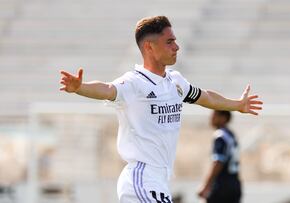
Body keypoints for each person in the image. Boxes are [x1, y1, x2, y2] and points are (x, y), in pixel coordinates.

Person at [59, 15, 262, 203]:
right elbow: (107, 89)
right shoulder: (134, 83)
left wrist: (237, 104)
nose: (177, 46)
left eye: (175, 40)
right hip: (141, 178)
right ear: (149, 47)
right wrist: (80, 88)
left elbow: (206, 97)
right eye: (169, 42)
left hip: (160, 180)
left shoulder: (175, 81)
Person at [198, 110, 242, 203]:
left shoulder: (220, 136)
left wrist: (206, 186)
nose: (211, 118)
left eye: (214, 115)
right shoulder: (231, 134)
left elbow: (218, 162)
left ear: (223, 118)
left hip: (221, 185)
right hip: (234, 183)